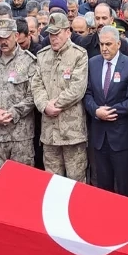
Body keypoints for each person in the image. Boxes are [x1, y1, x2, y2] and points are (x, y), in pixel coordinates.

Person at [32, 12, 89, 182]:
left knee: (76, 181)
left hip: (72, 132)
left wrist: (55, 105)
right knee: (52, 181)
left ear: (67, 32)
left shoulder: (79, 54)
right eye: (51, 34)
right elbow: (36, 85)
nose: (53, 38)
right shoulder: (42, 56)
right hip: (49, 132)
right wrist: (44, 105)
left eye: (57, 34)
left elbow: (77, 88)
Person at [83, 26, 128, 197]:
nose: (104, 48)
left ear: (118, 44)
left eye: (108, 44)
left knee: (124, 186)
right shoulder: (92, 63)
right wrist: (96, 111)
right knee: (103, 188)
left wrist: (111, 111)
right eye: (101, 44)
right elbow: (87, 93)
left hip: (121, 138)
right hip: (99, 137)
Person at [0, 18, 37, 174]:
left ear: (16, 36)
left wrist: (12, 113)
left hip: (21, 135)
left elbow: (33, 96)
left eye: (6, 37)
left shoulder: (29, 61)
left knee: (23, 181)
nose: (2, 41)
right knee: (0, 184)